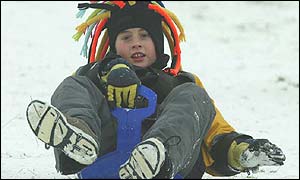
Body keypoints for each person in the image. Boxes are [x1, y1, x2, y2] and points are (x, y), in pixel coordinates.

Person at [26, 1, 286, 179]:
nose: (136, 44)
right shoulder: (91, 77)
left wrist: (239, 151)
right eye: (126, 37)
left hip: (169, 171)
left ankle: (157, 155)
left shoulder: (181, 83)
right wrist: (106, 73)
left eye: (144, 36)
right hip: (99, 164)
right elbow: (77, 91)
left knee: (193, 96)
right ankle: (78, 138)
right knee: (74, 84)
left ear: (159, 42)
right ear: (113, 46)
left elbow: (213, 135)